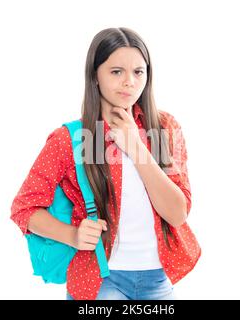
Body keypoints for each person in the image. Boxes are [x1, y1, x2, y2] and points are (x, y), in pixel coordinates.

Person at [10, 27, 201, 300]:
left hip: (157, 278)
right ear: (95, 76)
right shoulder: (74, 138)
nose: (129, 82)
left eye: (138, 72)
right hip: (99, 279)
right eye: (116, 72)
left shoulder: (163, 128)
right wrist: (72, 235)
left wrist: (136, 146)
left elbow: (177, 213)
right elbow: (24, 207)